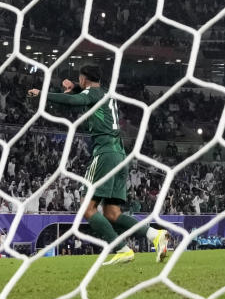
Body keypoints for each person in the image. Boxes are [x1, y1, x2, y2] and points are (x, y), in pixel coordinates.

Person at [29, 65, 168, 265]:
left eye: (80, 79)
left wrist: (43, 94)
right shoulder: (105, 94)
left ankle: (121, 249)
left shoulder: (91, 93)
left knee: (88, 209)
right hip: (120, 155)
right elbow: (85, 95)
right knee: (112, 213)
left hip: (105, 154)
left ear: (84, 79)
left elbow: (75, 100)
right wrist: (76, 86)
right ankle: (155, 235)